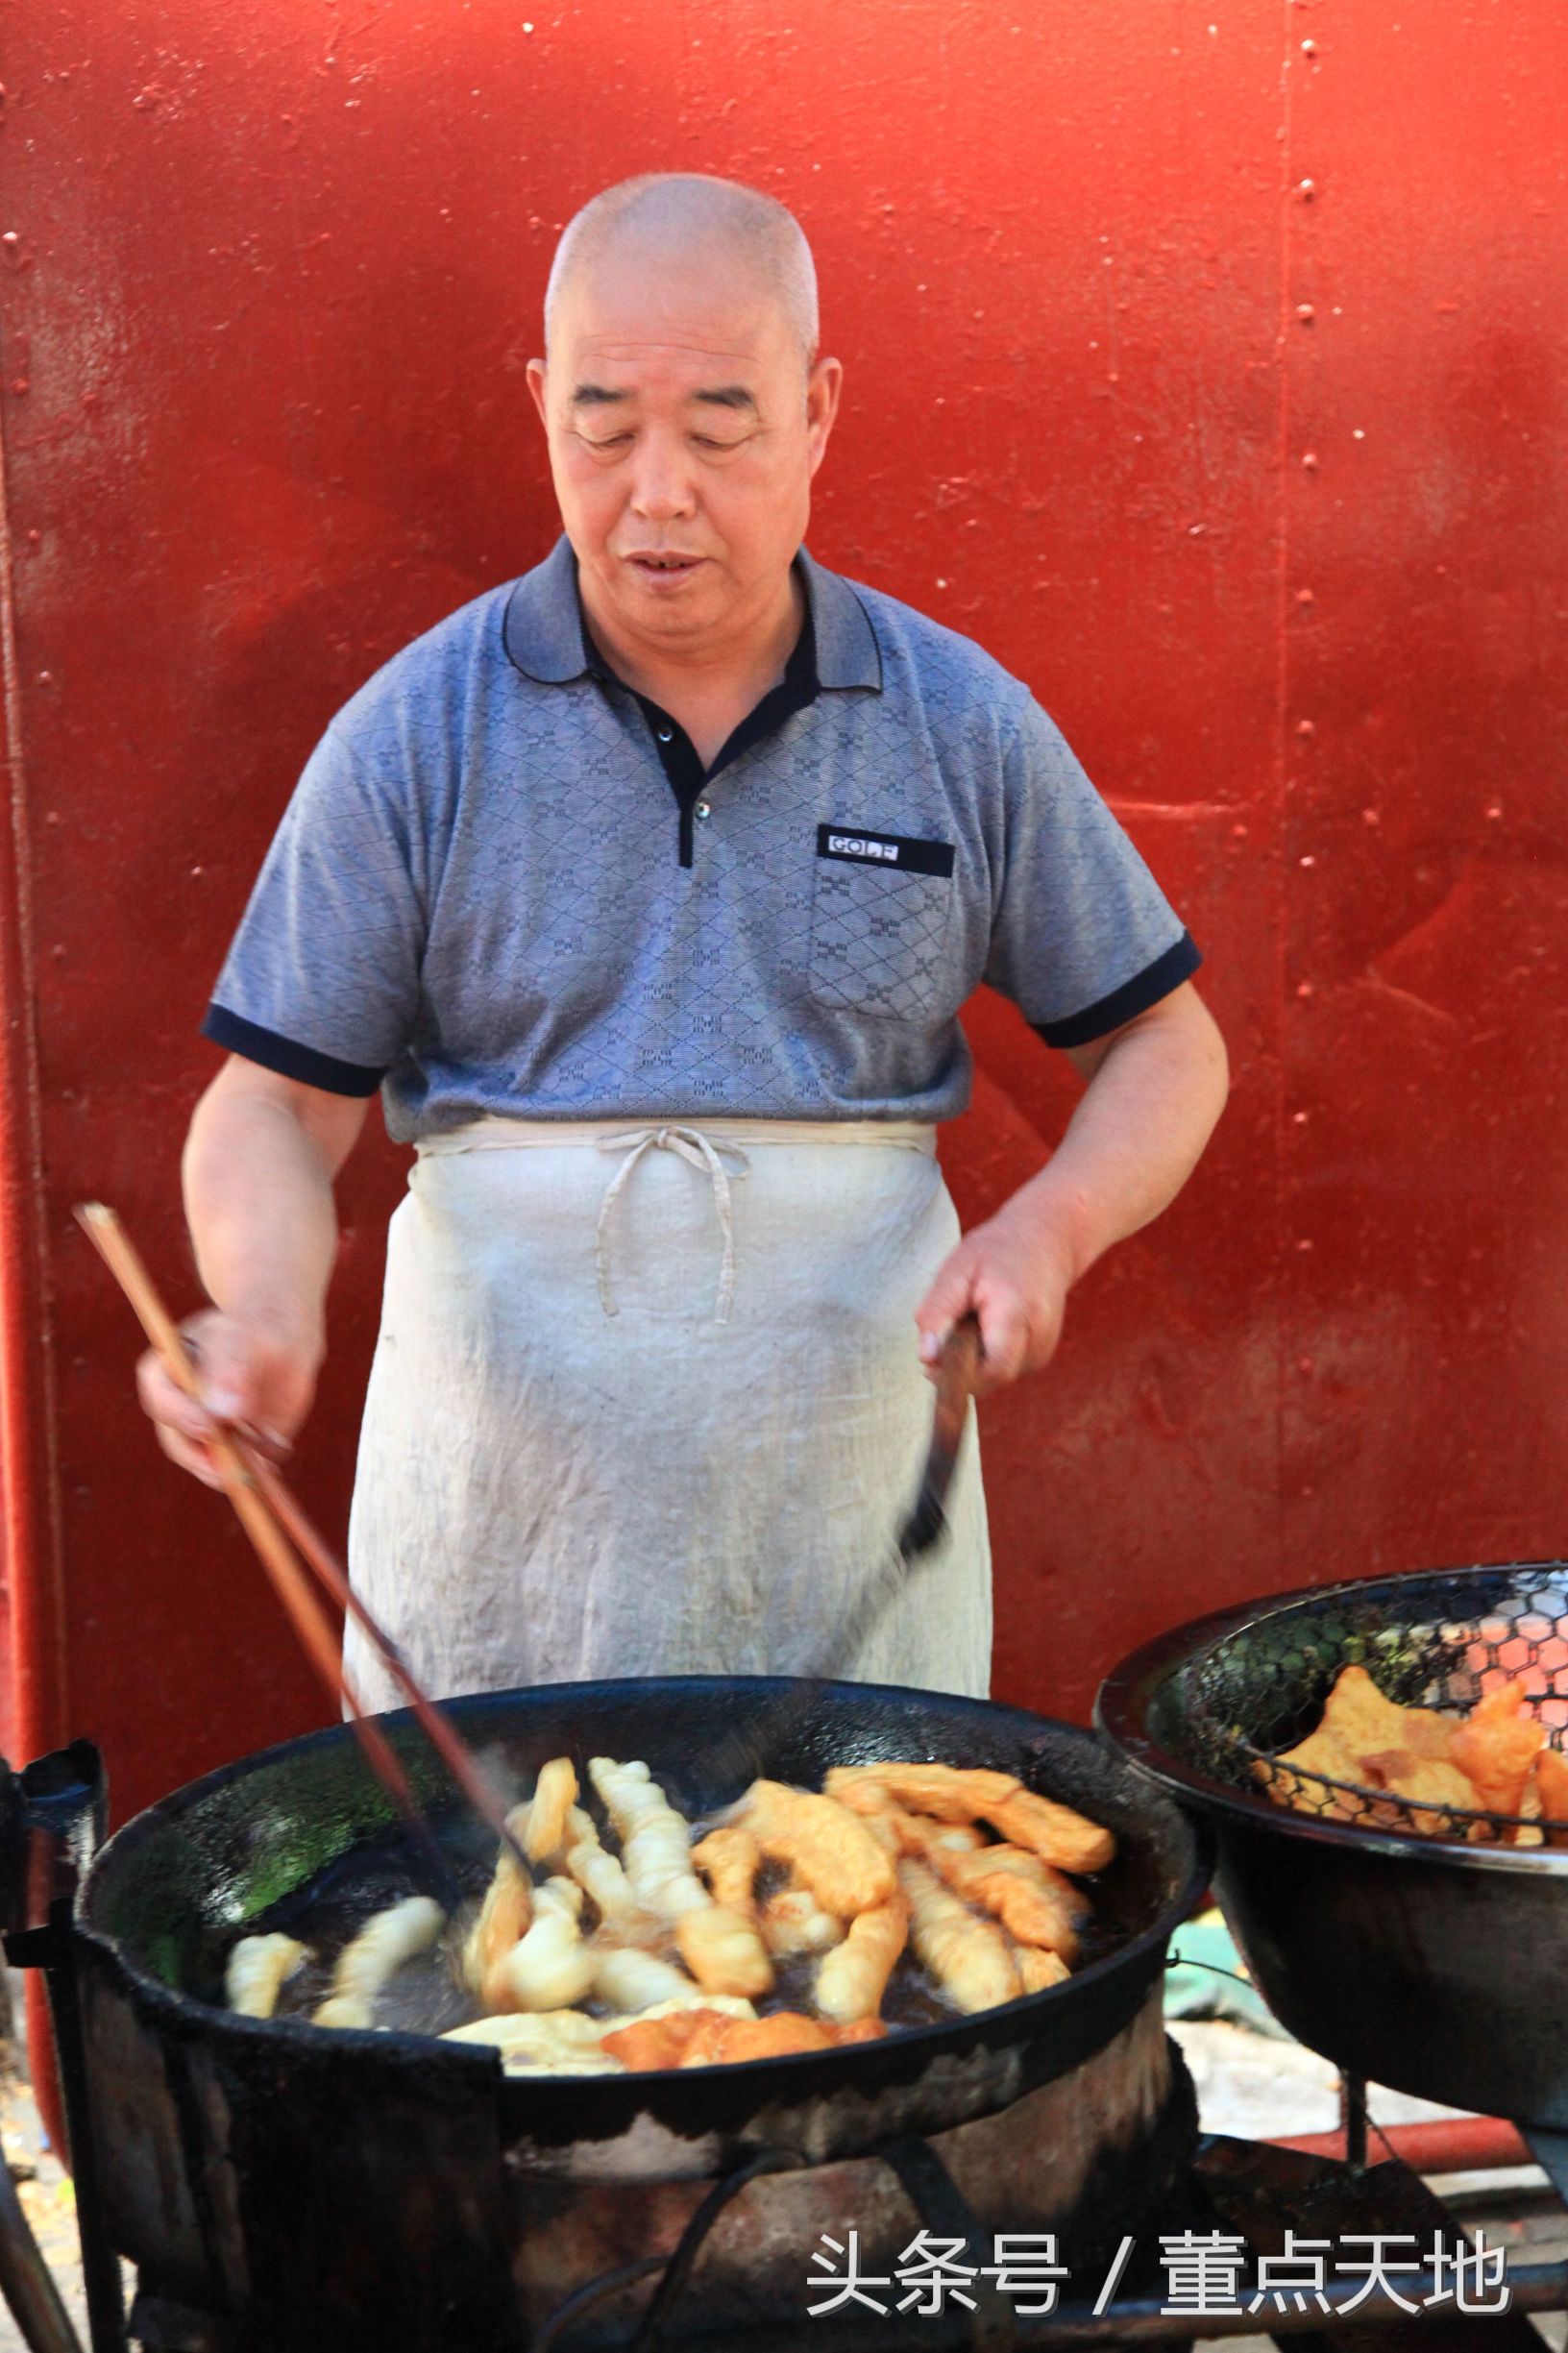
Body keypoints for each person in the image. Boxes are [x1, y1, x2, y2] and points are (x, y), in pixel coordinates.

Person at [139, 173, 1228, 1710]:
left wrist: (1048, 1229)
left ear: (817, 411)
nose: (657, 494)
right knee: (493, 1931)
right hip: (498, 1509)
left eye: (721, 429)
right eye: (603, 427)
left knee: (858, 1899)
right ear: (540, 408)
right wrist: (258, 1307)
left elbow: (1164, 1041)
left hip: (840, 1485)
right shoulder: (419, 731)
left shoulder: (954, 720)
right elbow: (273, 1099)